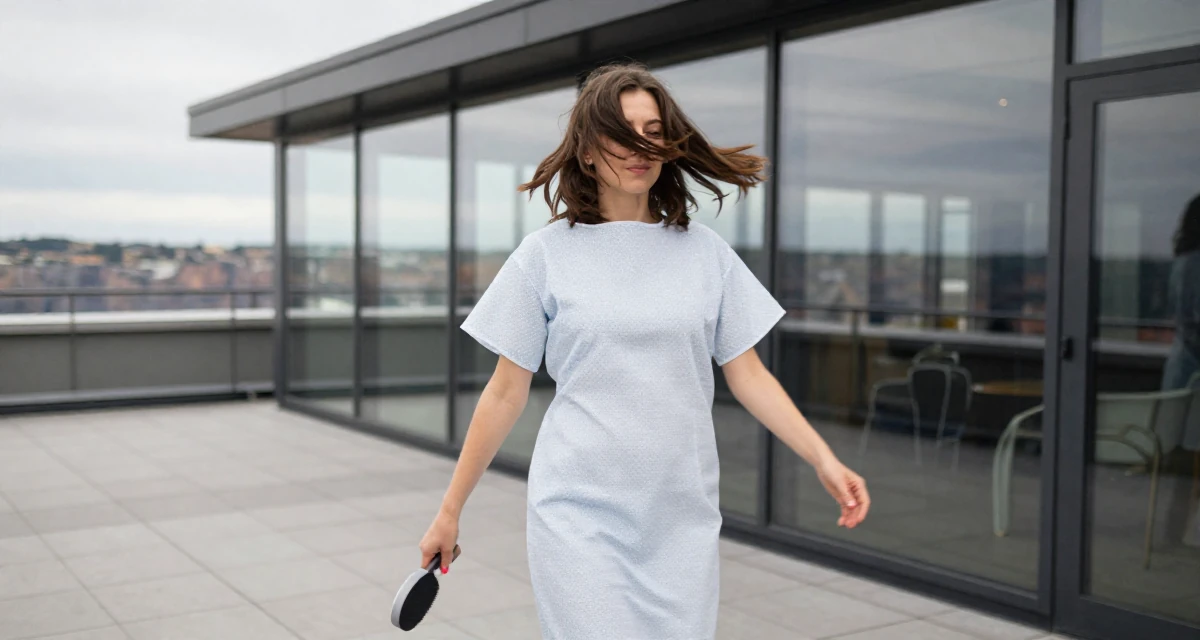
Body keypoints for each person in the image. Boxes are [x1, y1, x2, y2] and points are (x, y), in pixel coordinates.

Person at [418, 62, 870, 639]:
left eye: (654, 131)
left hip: (680, 515)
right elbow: (506, 392)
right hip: (577, 512)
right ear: (585, 152)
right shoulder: (545, 256)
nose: (641, 146)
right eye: (621, 131)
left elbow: (749, 374)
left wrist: (823, 459)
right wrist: (450, 509)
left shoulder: (706, 255)